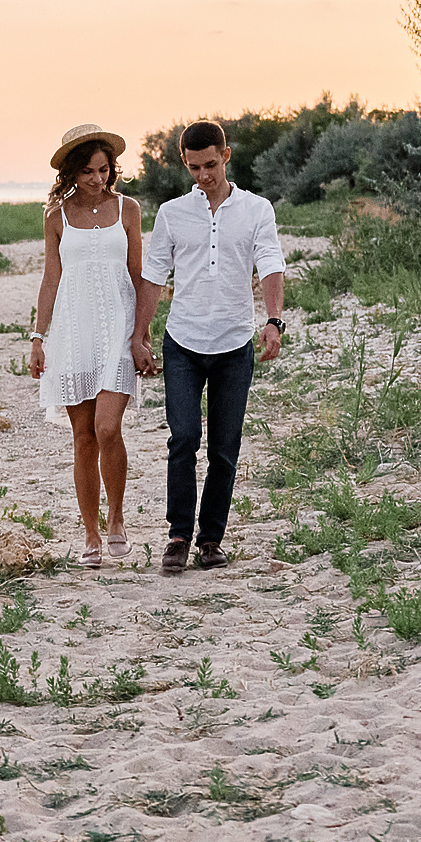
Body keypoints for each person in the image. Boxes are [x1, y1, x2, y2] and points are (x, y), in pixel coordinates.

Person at [134, 120, 285, 574]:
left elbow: (271, 264)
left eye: (211, 165)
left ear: (227, 155)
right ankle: (178, 536)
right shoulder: (172, 213)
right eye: (195, 167)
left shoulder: (257, 209)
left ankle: (211, 540)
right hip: (183, 341)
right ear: (185, 162)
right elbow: (154, 276)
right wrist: (139, 336)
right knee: (183, 439)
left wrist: (273, 321)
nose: (204, 175)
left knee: (224, 447)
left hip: (235, 341)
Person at [29, 125, 154, 568]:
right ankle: (90, 532)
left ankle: (117, 516)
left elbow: (140, 275)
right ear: (70, 172)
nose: (97, 179)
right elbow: (51, 279)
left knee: (106, 428)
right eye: (87, 172)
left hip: (118, 330)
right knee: (82, 439)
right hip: (72, 331)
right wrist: (38, 338)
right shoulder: (56, 216)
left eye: (103, 170)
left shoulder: (129, 209)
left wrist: (142, 335)